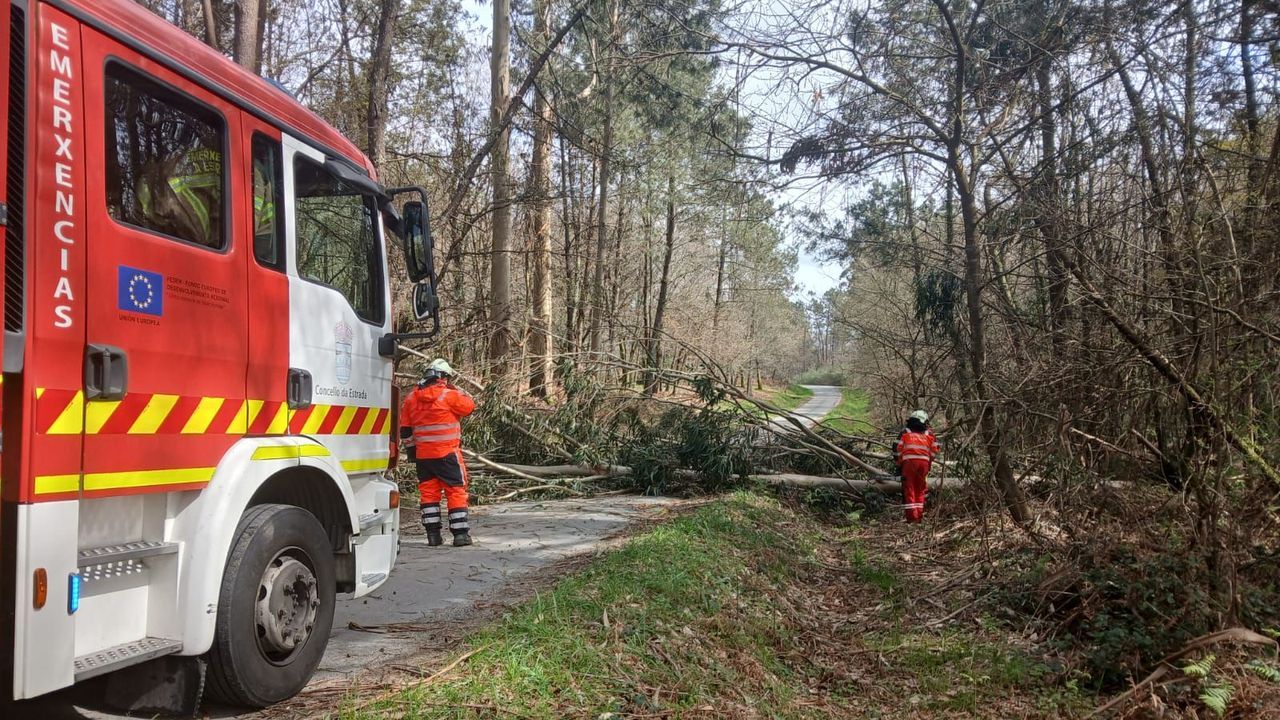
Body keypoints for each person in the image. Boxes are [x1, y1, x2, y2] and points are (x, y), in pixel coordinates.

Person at [399, 359, 477, 546]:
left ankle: (433, 536)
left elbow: (405, 431)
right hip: (448, 454)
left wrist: (412, 451)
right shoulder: (449, 396)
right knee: (456, 491)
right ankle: (460, 535)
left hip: (424, 456)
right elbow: (469, 407)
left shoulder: (411, 398)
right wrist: (455, 388)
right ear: (443, 377)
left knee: (428, 494)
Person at [893, 410, 939, 523]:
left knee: (909, 489)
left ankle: (912, 518)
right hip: (923, 463)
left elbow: (896, 448)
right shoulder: (929, 433)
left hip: (908, 463)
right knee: (921, 489)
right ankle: (919, 516)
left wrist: (899, 462)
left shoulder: (905, 431)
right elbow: (935, 450)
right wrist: (929, 462)